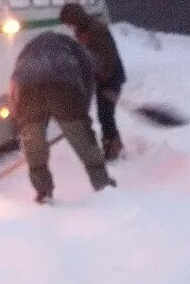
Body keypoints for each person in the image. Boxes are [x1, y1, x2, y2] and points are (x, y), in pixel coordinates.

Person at [10, 30, 116, 204]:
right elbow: (88, 81)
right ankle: (102, 185)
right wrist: (80, 117)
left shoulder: (27, 52)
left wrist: (22, 122)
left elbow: (15, 85)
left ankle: (43, 192)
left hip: (27, 90)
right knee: (84, 142)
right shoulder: (76, 50)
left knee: (34, 144)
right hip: (63, 88)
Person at [59, 2, 127, 161]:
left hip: (110, 77)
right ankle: (115, 144)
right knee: (105, 113)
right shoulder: (83, 29)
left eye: (68, 22)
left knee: (105, 115)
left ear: (74, 17)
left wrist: (103, 78)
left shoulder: (95, 30)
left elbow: (107, 57)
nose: (69, 26)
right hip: (103, 78)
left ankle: (112, 149)